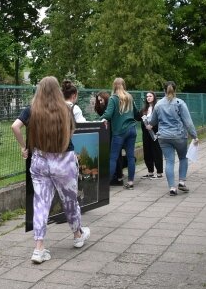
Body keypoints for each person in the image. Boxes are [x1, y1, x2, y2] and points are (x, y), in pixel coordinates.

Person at [11, 76, 91, 264]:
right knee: (70, 199)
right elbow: (71, 132)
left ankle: (39, 248)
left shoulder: (32, 110)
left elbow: (15, 127)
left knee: (40, 203)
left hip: (39, 160)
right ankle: (78, 235)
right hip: (64, 160)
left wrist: (25, 147)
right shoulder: (67, 109)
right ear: (57, 91)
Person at [147, 81, 199, 196]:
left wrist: (148, 124)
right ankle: (181, 182)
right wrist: (194, 136)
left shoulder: (158, 104)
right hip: (179, 136)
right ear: (175, 90)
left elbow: (153, 122)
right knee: (183, 158)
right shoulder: (180, 103)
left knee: (169, 161)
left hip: (163, 137)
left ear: (164, 90)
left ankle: (172, 188)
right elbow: (188, 122)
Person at [100, 78, 138, 189]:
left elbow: (108, 114)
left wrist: (99, 120)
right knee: (131, 157)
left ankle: (105, 184)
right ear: (124, 85)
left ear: (114, 86)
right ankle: (130, 182)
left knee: (113, 157)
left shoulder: (113, 98)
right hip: (132, 129)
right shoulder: (130, 97)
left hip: (120, 132)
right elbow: (136, 113)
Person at [94, 91, 125, 185]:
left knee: (116, 155)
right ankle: (116, 176)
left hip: (114, 132)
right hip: (108, 133)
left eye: (101, 100)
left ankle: (118, 177)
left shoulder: (110, 107)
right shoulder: (103, 107)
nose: (100, 102)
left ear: (106, 98)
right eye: (98, 100)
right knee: (113, 155)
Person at [139, 91, 164, 179]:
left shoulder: (158, 107)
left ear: (154, 97)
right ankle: (150, 172)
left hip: (155, 133)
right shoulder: (143, 109)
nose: (148, 97)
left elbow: (161, 119)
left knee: (156, 152)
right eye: (147, 96)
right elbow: (138, 117)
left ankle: (160, 173)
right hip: (146, 134)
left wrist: (153, 126)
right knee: (147, 152)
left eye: (150, 96)